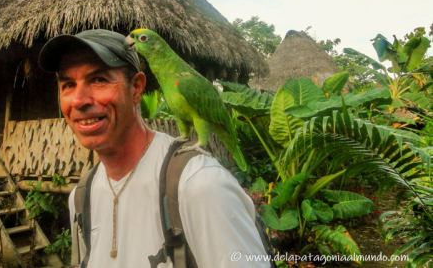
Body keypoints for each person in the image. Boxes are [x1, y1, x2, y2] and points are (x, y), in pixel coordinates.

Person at [38, 29, 270, 267]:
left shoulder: (201, 185)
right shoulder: (80, 197)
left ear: (137, 88)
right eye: (67, 84)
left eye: (99, 80)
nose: (78, 100)